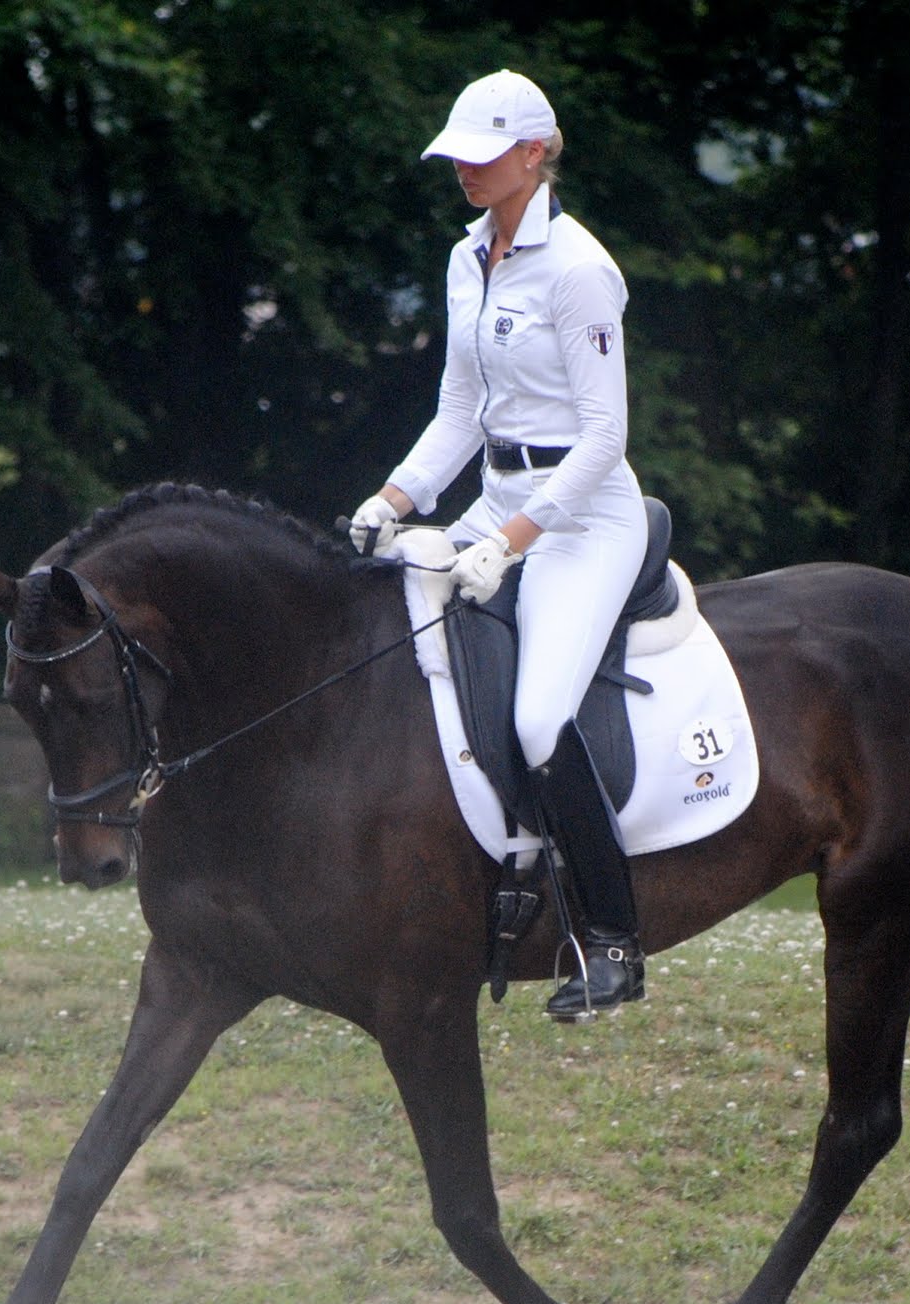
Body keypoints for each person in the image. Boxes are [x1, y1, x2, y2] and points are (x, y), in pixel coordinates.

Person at [349, 69, 649, 1020]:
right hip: (496, 497)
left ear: (534, 154)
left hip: (584, 518)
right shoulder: (465, 256)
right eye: (457, 159)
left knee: (534, 720)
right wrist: (394, 499)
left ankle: (611, 939)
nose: (464, 173)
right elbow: (459, 411)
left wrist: (512, 540)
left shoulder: (579, 269)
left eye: (482, 158)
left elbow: (606, 440)